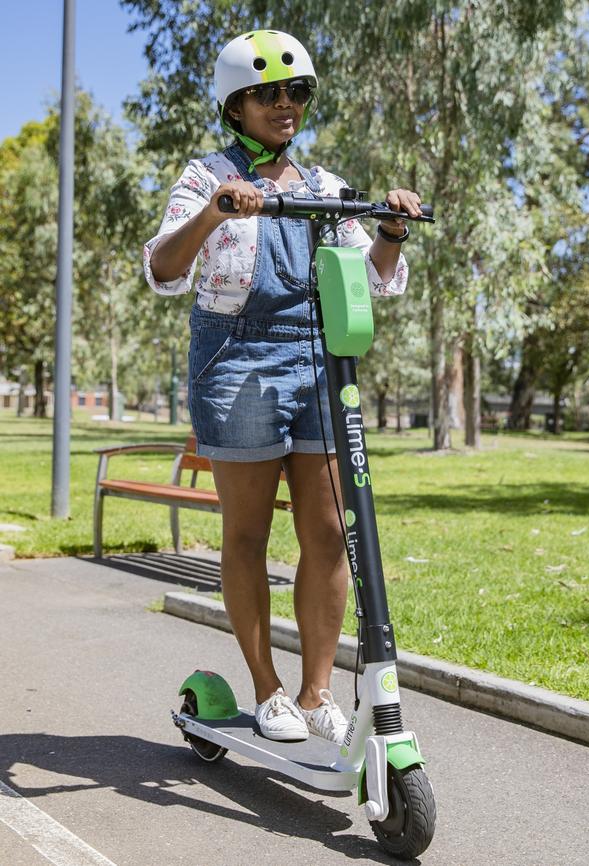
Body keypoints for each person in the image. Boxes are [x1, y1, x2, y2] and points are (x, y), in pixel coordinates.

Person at [143, 30, 421, 744]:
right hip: (238, 365)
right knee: (248, 533)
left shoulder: (328, 190)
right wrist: (215, 212)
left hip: (319, 364)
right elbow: (166, 267)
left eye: (296, 91)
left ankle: (317, 691)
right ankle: (267, 689)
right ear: (235, 107)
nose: (285, 103)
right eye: (268, 93)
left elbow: (373, 276)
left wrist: (389, 228)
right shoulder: (206, 178)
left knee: (328, 533)